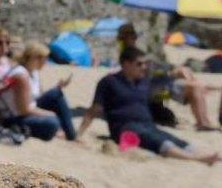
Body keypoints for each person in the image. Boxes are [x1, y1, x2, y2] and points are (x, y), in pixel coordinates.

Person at [78, 46, 220, 164]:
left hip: (148, 124)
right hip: (124, 127)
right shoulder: (109, 82)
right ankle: (195, 159)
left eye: (144, 63)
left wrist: (178, 73)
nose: (144, 67)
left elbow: (168, 82)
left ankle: (204, 155)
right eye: (139, 64)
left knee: (176, 140)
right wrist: (79, 134)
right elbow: (94, 109)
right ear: (126, 64)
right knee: (159, 142)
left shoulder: (143, 81)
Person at [118, 23, 217, 130]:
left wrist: (171, 68)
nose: (134, 39)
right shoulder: (128, 55)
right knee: (194, 86)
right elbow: (145, 73)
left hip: (159, 84)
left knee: (191, 80)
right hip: (154, 88)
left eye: (134, 36)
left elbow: (153, 66)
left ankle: (203, 121)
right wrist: (169, 72)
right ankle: (203, 122)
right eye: (132, 36)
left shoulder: (133, 52)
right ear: (124, 37)